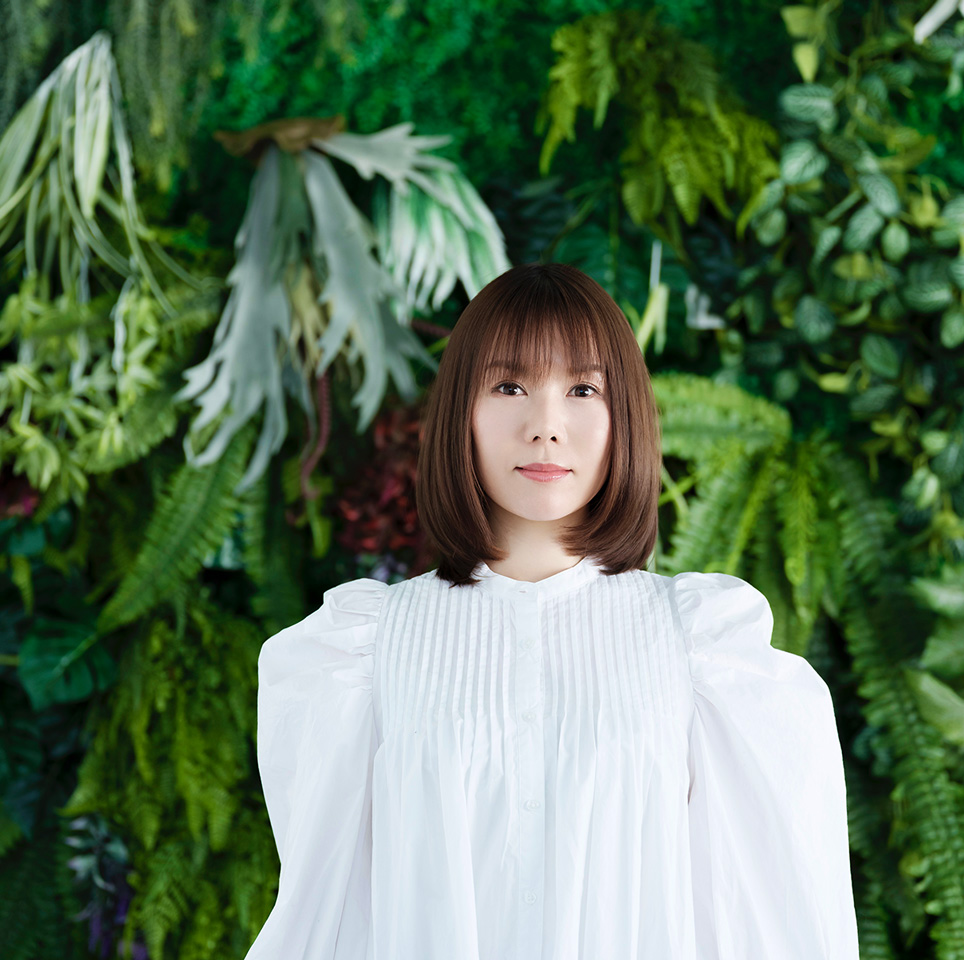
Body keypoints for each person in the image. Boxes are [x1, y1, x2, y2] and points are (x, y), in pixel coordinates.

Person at [248, 263, 861, 959]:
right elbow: (328, 917)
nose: (545, 426)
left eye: (582, 389)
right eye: (509, 386)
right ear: (460, 411)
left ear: (624, 414)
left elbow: (763, 916)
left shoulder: (700, 648)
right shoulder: (365, 651)